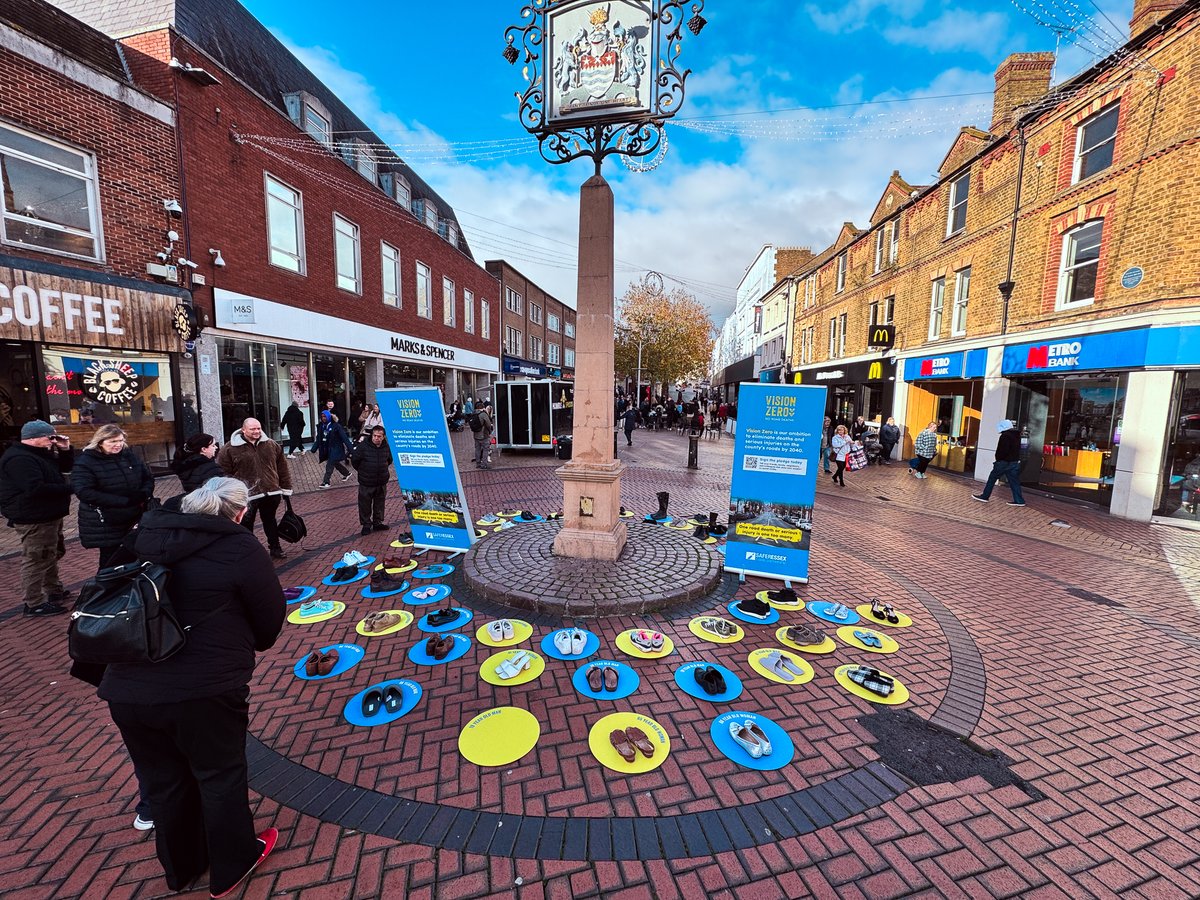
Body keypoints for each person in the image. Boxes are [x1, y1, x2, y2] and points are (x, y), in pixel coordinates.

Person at [100, 477, 283, 897]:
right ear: (239, 512)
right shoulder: (239, 546)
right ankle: (232, 863)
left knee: (163, 780)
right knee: (219, 773)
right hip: (204, 686)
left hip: (128, 684)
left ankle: (181, 868)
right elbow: (269, 620)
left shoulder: (142, 535)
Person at [0, 420, 74, 616]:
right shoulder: (19, 459)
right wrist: (72, 489)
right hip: (33, 516)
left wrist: (65, 450)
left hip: (48, 513)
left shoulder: (40, 454)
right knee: (37, 558)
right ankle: (33, 603)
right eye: (49, 437)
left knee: (50, 553)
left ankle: (54, 590)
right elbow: (35, 488)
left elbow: (65, 469)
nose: (53, 440)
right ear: (32, 439)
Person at [72, 425, 154, 571]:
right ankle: (106, 590)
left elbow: (147, 477)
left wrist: (143, 493)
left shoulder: (128, 456)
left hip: (134, 515)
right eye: (113, 441)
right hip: (107, 519)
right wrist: (123, 501)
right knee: (111, 560)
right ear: (100, 442)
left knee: (134, 554)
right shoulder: (86, 461)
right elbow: (84, 491)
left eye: (121, 440)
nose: (118, 445)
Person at [218, 417, 292, 560]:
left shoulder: (271, 444)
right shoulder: (229, 448)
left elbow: (282, 467)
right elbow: (223, 472)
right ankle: (249, 551)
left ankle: (275, 548)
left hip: (271, 491)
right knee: (246, 524)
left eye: (258, 428)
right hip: (246, 495)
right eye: (253, 429)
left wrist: (286, 487)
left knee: (270, 521)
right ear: (243, 430)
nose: (257, 431)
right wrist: (234, 490)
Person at [973, 419, 1027, 506]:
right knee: (1014, 482)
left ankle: (985, 496)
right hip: (1014, 462)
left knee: (992, 478)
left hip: (1003, 463)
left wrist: (998, 459)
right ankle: (1019, 500)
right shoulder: (1017, 436)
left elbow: (1002, 450)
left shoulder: (1005, 436)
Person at [352, 425, 393, 535]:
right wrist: (363, 471)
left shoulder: (386, 447)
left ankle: (377, 523)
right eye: (374, 435)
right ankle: (366, 524)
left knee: (379, 503)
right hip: (366, 481)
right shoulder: (363, 446)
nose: (376, 438)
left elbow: (389, 460)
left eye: (379, 436)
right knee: (365, 504)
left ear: (383, 437)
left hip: (381, 481)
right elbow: (355, 460)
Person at [314, 413, 355, 488]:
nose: (323, 418)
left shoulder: (336, 426)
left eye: (325, 416)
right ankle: (346, 473)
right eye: (322, 417)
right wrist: (314, 448)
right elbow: (319, 438)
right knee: (334, 462)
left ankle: (326, 482)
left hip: (336, 448)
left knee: (330, 464)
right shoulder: (322, 426)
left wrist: (351, 450)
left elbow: (345, 438)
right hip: (328, 448)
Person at [474, 402, 494, 469]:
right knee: (486, 449)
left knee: (477, 449)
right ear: (483, 407)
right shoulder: (483, 414)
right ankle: (484, 464)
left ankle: (478, 463)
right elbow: (488, 424)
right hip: (483, 435)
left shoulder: (474, 413)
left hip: (476, 435)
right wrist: (490, 431)